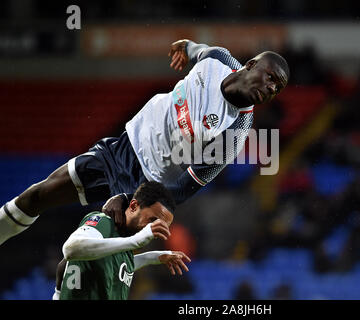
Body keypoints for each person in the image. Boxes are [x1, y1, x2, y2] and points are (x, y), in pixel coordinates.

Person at [0, 38, 290, 246]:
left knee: (80, 260)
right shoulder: (220, 59)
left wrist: (133, 200)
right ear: (250, 65)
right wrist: (183, 47)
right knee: (36, 196)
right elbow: (196, 49)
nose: (271, 88)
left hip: (144, 185)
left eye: (277, 88)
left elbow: (185, 188)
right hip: (121, 149)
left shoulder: (236, 130)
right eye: (270, 78)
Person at [52, 181, 191, 300]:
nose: (154, 229)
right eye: (153, 220)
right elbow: (71, 249)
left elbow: (117, 265)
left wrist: (153, 257)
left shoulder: (123, 245)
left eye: (162, 227)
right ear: (134, 206)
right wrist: (135, 241)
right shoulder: (104, 223)